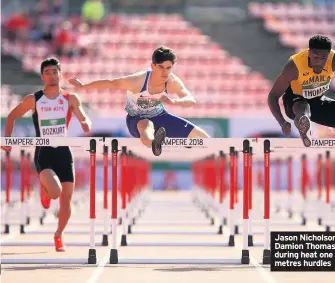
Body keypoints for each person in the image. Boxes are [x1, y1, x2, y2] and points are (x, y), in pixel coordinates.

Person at [1, 57, 92, 252]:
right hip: (44, 153)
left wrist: (85, 124)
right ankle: (45, 189)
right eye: (47, 72)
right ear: (42, 76)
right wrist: (7, 140)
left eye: (54, 72)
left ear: (60, 74)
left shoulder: (70, 98)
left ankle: (59, 234)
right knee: (56, 192)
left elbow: (84, 117)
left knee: (66, 200)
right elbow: (12, 116)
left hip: (64, 153)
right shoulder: (34, 99)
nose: (51, 75)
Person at [68, 46, 210, 156]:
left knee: (203, 137)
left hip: (161, 116)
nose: (165, 72)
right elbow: (111, 83)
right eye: (161, 67)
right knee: (146, 125)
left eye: (169, 68)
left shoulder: (171, 80)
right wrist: (83, 85)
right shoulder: (138, 80)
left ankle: (216, 160)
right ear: (153, 65)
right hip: (136, 119)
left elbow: (190, 100)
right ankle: (154, 144)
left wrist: (173, 102)